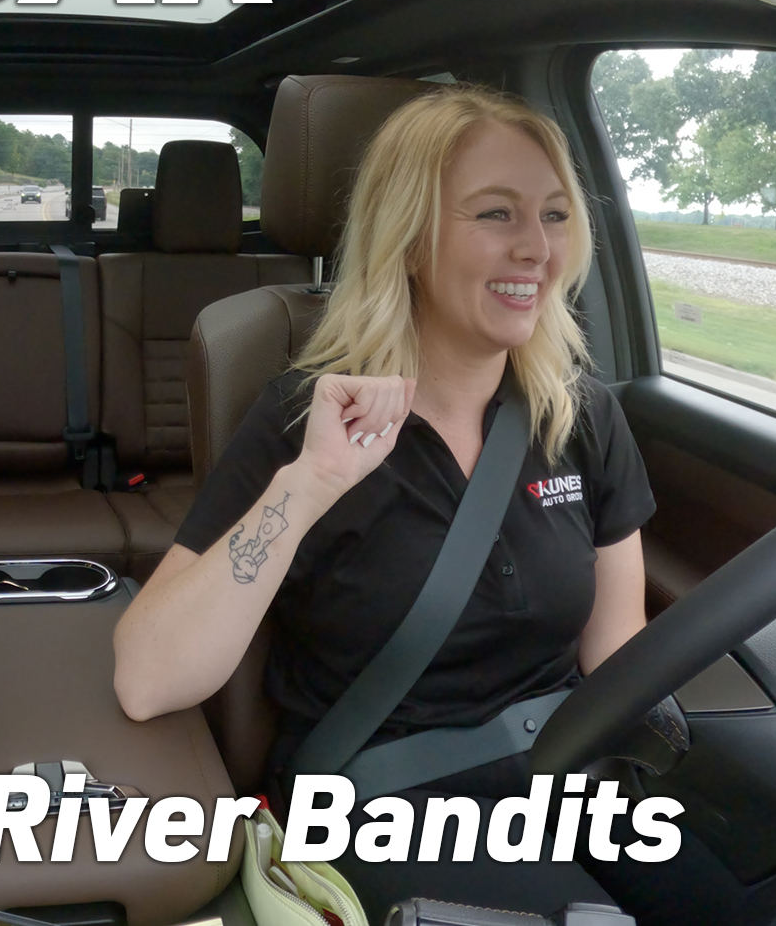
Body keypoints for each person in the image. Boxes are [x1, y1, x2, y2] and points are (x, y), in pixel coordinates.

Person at [113, 84, 654, 919]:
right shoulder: (304, 416)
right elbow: (147, 677)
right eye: (494, 214)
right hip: (387, 797)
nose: (535, 249)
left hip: (564, 774)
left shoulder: (581, 415)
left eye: (552, 215)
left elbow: (619, 656)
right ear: (408, 238)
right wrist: (308, 483)